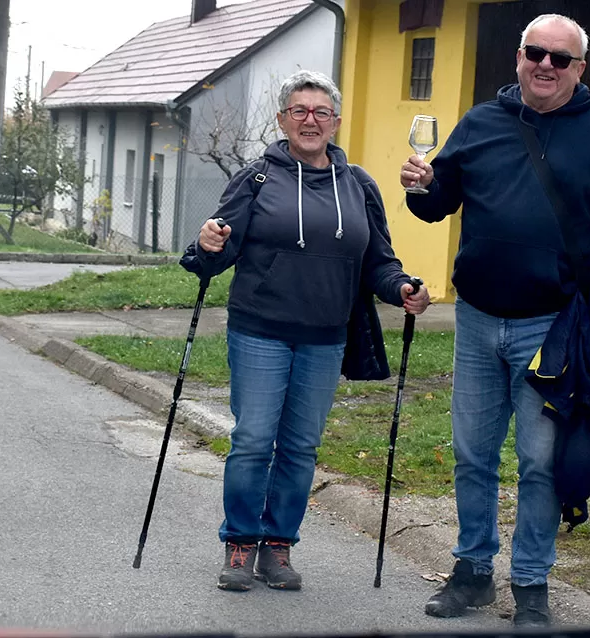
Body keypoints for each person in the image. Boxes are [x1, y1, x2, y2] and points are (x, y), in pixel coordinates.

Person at [399, 14, 590, 627]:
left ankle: (532, 583)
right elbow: (438, 205)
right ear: (518, 57)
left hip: (555, 327)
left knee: (540, 460)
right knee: (472, 453)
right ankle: (471, 572)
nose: (546, 65)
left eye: (560, 59)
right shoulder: (481, 123)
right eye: (535, 53)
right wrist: (419, 185)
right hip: (479, 318)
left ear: (579, 69)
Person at [191, 69, 430, 592]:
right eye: (299, 111)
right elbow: (218, 248)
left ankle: (278, 547)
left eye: (321, 112)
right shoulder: (257, 178)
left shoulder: (359, 185)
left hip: (325, 337)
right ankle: (239, 544)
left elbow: (378, 264)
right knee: (254, 439)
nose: (310, 120)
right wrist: (207, 244)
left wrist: (404, 288)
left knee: (300, 445)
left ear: (336, 122)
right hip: (259, 331)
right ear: (281, 120)